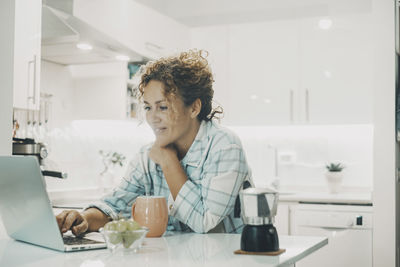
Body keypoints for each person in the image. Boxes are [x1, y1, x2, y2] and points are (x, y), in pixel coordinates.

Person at [56, 49, 253, 236]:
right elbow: (115, 206)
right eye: (148, 107)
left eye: (163, 107)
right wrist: (83, 218)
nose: (152, 118)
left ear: (194, 108)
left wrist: (168, 162)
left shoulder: (224, 146)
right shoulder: (147, 157)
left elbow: (205, 222)